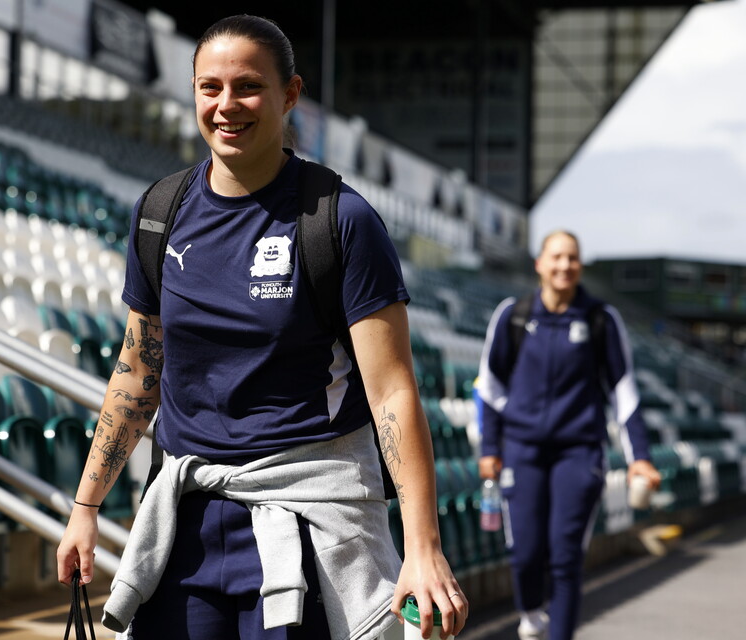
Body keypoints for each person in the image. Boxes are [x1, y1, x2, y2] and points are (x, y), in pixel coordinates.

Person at [56, 14, 467, 640]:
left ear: (290, 95)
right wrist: (85, 508)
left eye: (247, 87)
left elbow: (391, 392)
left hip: (304, 523)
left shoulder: (342, 221)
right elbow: (139, 369)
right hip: (185, 525)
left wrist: (422, 546)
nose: (226, 106)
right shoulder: (159, 214)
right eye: (209, 87)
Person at [475, 230, 661, 640]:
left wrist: (640, 458)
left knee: (565, 556)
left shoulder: (600, 319)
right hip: (521, 450)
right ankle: (530, 613)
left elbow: (624, 392)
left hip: (579, 453)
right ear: (539, 264)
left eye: (573, 258)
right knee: (525, 554)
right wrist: (490, 446)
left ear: (580, 266)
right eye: (556, 257)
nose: (564, 265)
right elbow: (489, 387)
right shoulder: (514, 315)